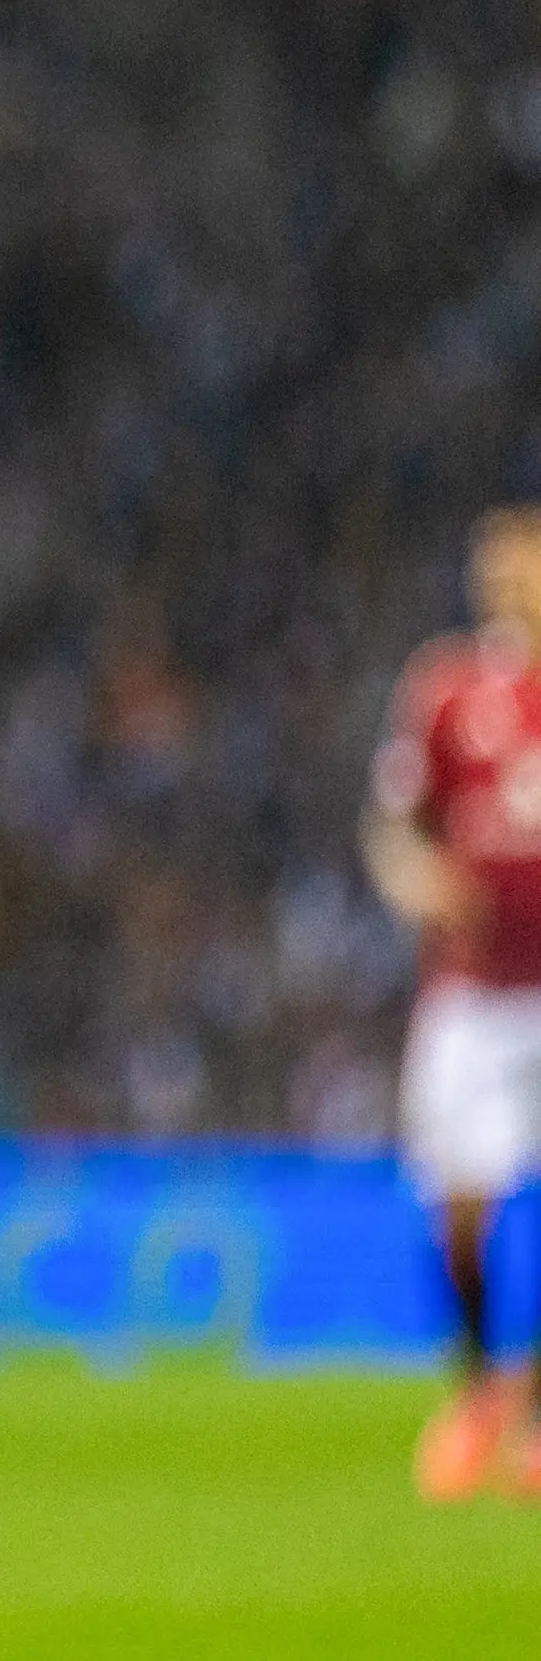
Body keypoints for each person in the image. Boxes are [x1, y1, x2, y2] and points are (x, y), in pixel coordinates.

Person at [365, 506, 541, 1501]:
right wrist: (416, 881)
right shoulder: (445, 688)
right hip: (472, 993)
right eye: (497, 577)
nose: (508, 591)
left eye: (524, 575)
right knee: (463, 1205)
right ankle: (480, 1385)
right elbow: (395, 828)